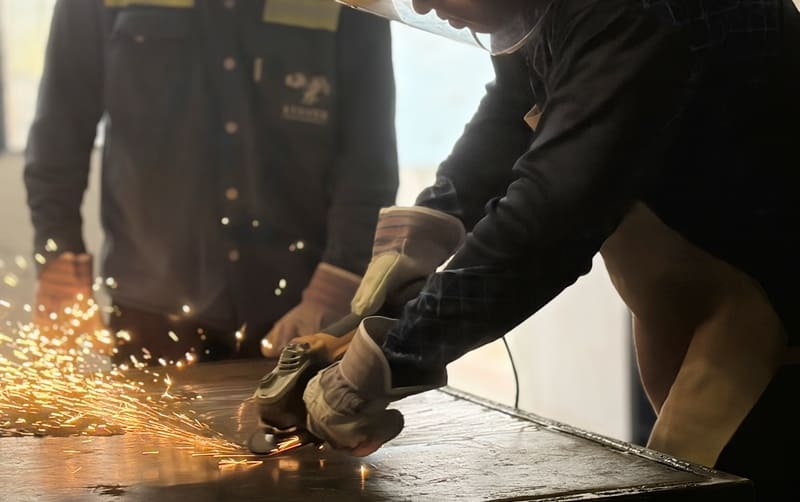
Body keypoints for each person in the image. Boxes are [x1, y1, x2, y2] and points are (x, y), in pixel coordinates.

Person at [301, 0, 800, 499]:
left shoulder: (633, 11)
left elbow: (553, 218)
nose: (422, 4)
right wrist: (429, 225)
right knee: (680, 473)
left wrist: (391, 358)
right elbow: (517, 103)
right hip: (695, 292)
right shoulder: (544, 11)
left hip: (768, 304)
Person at [25, 0, 397, 366]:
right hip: (150, 307)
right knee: (148, 428)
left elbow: (369, 155)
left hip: (304, 308)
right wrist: (60, 259)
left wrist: (337, 282)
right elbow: (60, 132)